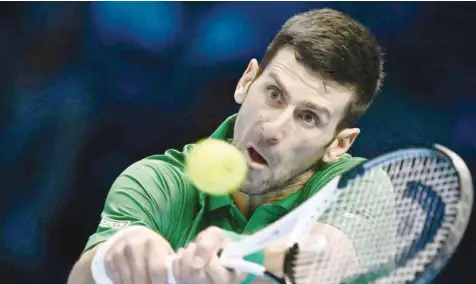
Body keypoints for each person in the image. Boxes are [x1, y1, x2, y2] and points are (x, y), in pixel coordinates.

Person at [68, 8, 396, 284]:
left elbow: (325, 258)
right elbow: (83, 277)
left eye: (308, 117)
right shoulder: (157, 182)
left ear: (339, 144)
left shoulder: (360, 185)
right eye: (274, 94)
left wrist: (240, 253)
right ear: (246, 81)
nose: (272, 129)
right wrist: (113, 258)